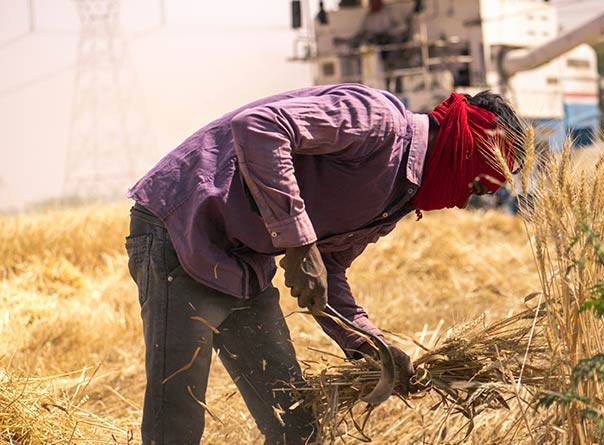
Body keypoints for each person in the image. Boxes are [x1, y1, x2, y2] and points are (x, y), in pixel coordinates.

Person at [125, 82, 524, 444]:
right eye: (476, 185)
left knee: (297, 424)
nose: (463, 202)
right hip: (180, 228)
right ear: (464, 146)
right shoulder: (379, 120)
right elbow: (260, 126)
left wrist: (368, 343)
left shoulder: (397, 197)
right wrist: (298, 243)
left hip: (244, 261)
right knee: (176, 421)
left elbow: (326, 269)